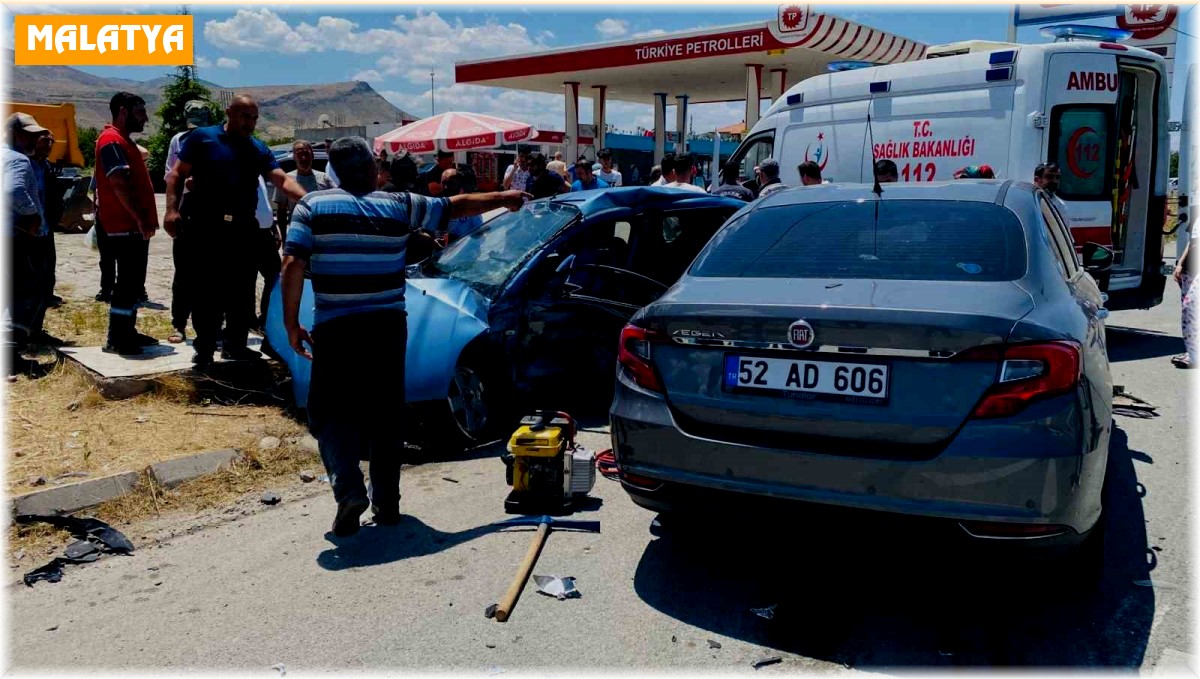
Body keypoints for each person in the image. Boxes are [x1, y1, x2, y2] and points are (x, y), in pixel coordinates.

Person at [280, 136, 529, 536]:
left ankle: (348, 493)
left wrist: (291, 323)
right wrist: (505, 196)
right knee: (385, 415)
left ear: (336, 172)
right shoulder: (398, 205)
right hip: (387, 326)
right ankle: (388, 503)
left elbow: (293, 262)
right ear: (369, 169)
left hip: (337, 328)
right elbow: (454, 207)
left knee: (329, 414)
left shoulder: (313, 206)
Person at [164, 94, 308, 367]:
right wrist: (172, 210)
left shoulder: (256, 148)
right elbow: (176, 174)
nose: (250, 123)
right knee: (208, 291)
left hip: (243, 228)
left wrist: (309, 201)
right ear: (229, 112)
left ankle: (235, 345)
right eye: (245, 116)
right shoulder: (203, 138)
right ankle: (204, 349)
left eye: (254, 118)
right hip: (206, 226)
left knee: (242, 291)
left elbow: (280, 179)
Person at [94, 93, 160, 355]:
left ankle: (126, 331)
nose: (145, 117)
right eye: (140, 111)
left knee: (133, 283)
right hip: (124, 225)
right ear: (123, 112)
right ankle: (118, 338)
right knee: (126, 283)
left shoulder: (123, 141)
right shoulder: (111, 141)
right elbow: (119, 184)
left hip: (131, 225)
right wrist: (139, 218)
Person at [4, 112, 51, 375]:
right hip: (15, 238)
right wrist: (32, 215)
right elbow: (13, 191)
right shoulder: (18, 160)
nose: (35, 139)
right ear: (16, 134)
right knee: (24, 294)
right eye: (29, 134)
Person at [161, 100, 211, 344]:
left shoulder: (217, 139)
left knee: (212, 272)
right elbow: (170, 173)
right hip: (187, 209)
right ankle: (179, 324)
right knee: (184, 272)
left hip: (212, 211)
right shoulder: (178, 140)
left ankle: (210, 326)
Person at [27, 128, 63, 344]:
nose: (49, 144)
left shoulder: (45, 167)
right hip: (26, 233)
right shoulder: (23, 165)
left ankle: (35, 330)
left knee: (46, 280)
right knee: (27, 283)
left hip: (45, 231)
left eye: (51, 140)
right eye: (44, 140)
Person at [1173, 238, 1197, 369]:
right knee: (1188, 316)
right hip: (1188, 271)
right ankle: (1192, 353)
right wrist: (1180, 264)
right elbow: (1191, 242)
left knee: (1190, 309)